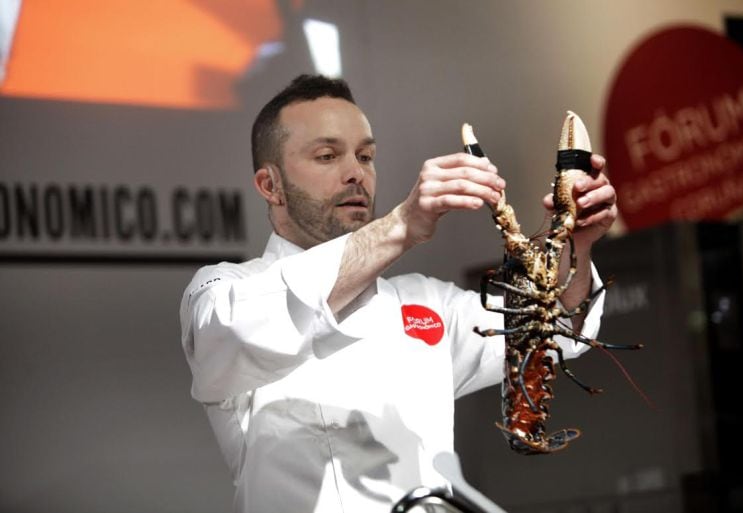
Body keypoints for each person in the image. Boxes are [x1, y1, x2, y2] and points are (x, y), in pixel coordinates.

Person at [180, 74, 617, 513]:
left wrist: (574, 243)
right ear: (269, 185)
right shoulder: (226, 291)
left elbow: (555, 327)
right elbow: (245, 330)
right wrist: (402, 224)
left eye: (365, 155)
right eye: (327, 155)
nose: (356, 173)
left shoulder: (425, 304)